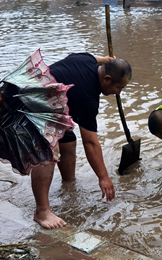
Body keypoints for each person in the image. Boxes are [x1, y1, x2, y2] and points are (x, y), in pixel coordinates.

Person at [31, 53, 132, 229]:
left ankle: (68, 184)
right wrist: (104, 177)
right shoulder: (88, 98)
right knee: (48, 151)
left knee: (68, 140)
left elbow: (79, 56)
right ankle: (42, 211)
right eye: (118, 87)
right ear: (106, 79)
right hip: (31, 101)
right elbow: (91, 143)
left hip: (53, 102)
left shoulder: (87, 59)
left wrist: (104, 59)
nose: (119, 93)